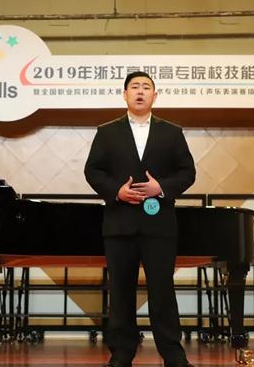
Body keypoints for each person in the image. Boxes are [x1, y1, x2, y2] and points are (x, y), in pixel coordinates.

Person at [84, 71, 196, 367]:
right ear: (125, 94)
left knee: (163, 291)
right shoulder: (106, 132)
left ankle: (173, 354)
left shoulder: (172, 132)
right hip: (119, 224)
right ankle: (121, 353)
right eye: (134, 86)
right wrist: (116, 191)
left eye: (146, 87)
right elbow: (92, 171)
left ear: (154, 96)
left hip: (160, 225)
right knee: (121, 291)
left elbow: (187, 172)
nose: (140, 91)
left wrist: (162, 187)